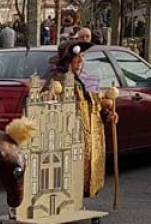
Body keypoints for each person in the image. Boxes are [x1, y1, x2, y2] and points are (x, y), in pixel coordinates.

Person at [43, 40, 116, 198]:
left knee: (88, 172)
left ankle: (81, 197)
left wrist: (108, 114)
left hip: (92, 137)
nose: (78, 65)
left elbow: (97, 105)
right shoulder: (58, 80)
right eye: (74, 61)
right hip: (71, 136)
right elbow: (46, 103)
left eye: (80, 61)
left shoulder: (88, 79)